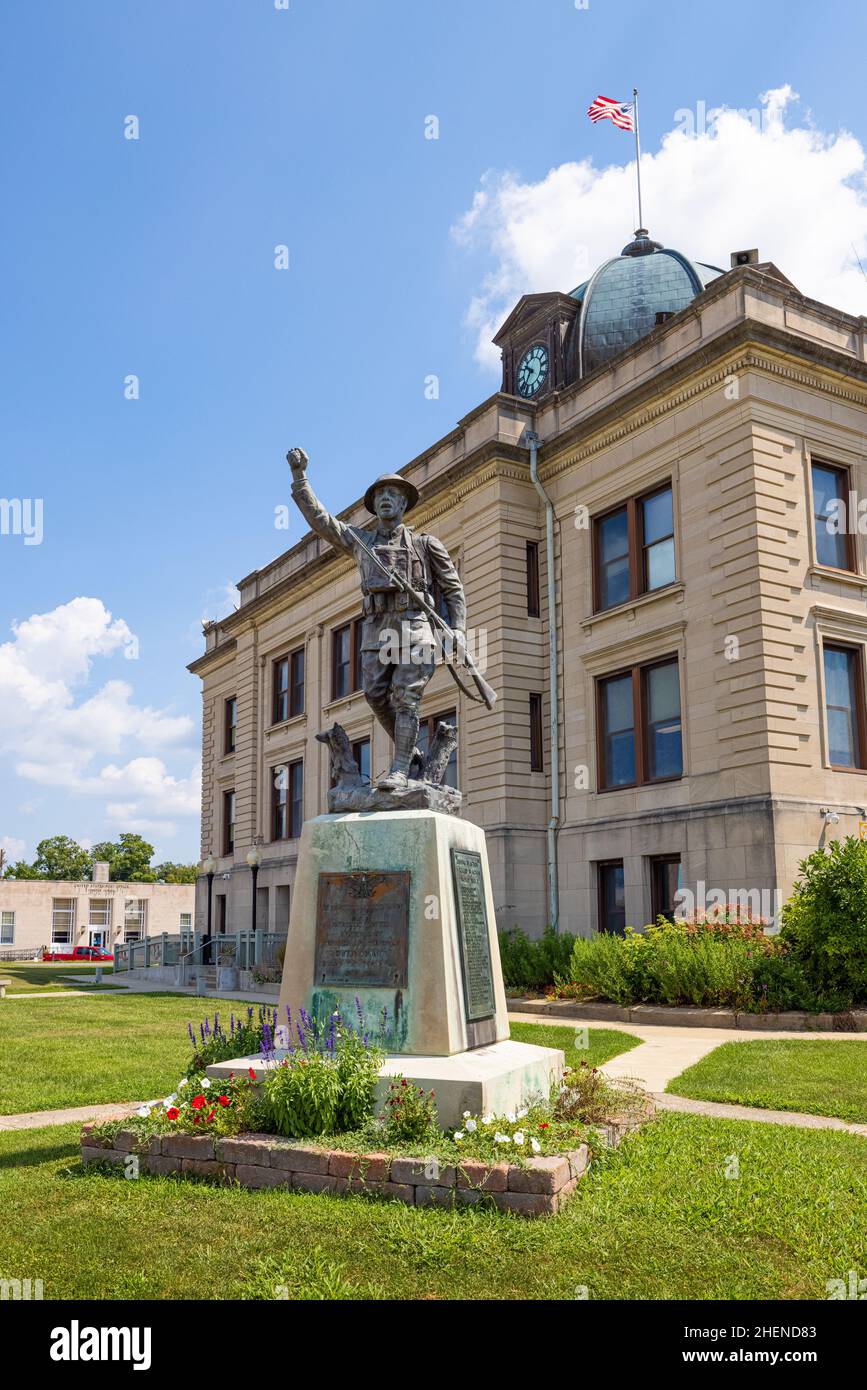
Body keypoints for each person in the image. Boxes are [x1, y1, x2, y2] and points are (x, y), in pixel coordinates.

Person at [287, 446, 466, 789]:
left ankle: (399, 768)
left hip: (415, 627)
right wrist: (300, 478)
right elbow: (322, 521)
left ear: (403, 504)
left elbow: (453, 588)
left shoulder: (426, 544)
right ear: (374, 505)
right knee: (373, 693)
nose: (386, 498)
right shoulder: (361, 542)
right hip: (376, 630)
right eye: (380, 494)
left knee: (405, 694)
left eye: (393, 494)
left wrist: (457, 628)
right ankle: (409, 751)